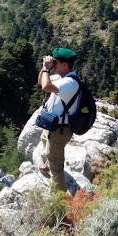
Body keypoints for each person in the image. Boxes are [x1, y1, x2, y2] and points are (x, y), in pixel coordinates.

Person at [37, 47, 79, 192]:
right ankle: (48, 164)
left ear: (65, 65)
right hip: (52, 125)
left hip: (60, 130)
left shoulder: (69, 83)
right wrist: (44, 68)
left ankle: (60, 203)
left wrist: (47, 70)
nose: (53, 65)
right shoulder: (60, 78)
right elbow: (41, 82)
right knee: (44, 140)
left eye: (55, 63)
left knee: (57, 168)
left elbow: (46, 86)